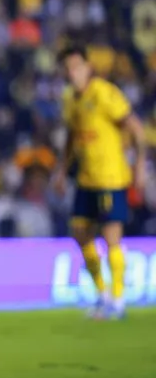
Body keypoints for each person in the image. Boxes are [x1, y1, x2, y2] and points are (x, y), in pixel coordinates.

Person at [55, 45, 147, 320]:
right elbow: (72, 137)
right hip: (86, 178)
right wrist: (61, 171)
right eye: (68, 68)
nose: (72, 73)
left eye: (76, 66)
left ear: (88, 67)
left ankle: (117, 300)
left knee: (111, 238)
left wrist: (140, 166)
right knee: (79, 232)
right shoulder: (70, 99)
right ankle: (102, 294)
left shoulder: (104, 93)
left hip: (110, 177)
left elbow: (136, 128)